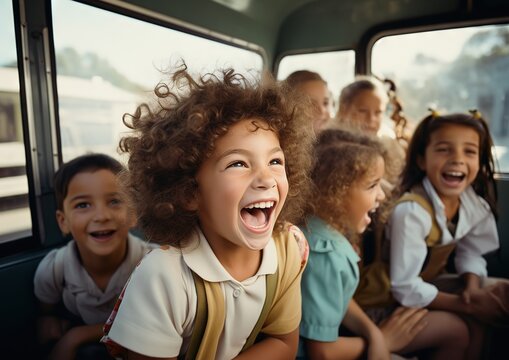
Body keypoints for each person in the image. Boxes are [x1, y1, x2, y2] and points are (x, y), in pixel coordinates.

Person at [101, 64, 314, 359]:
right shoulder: (164, 277)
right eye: (238, 163)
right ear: (190, 193)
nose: (266, 178)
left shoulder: (290, 247)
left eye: (275, 162)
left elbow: (283, 344)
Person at [298, 128, 430, 360]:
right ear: (334, 193)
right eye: (372, 186)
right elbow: (321, 352)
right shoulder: (325, 255)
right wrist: (385, 341)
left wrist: (373, 334)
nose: (381, 195)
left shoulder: (319, 229)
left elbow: (338, 296)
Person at [386, 110, 509, 359]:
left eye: (469, 151)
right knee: (464, 326)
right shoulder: (411, 212)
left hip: (427, 285)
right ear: (422, 160)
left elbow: (471, 253)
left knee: (502, 294)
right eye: (444, 149)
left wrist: (471, 289)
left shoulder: (473, 204)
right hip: (387, 299)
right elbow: (404, 286)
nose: (457, 159)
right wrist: (468, 304)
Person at [34, 153, 152, 360]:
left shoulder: (153, 264)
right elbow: (47, 309)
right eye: (83, 205)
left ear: (134, 213)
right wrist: (48, 319)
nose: (101, 216)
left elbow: (148, 322)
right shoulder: (53, 269)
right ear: (63, 222)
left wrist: (75, 336)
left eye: (114, 201)